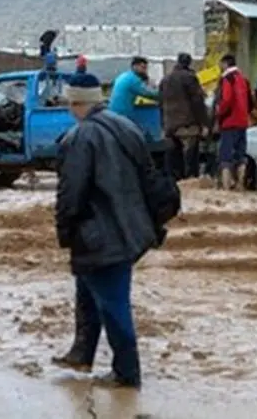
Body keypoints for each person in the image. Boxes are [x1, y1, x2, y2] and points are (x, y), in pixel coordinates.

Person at [50, 76, 161, 389]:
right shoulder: (124, 125)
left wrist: (64, 232)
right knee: (87, 292)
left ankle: (127, 373)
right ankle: (81, 353)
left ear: (75, 103)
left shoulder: (79, 137)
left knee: (113, 304)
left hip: (99, 234)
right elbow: (149, 176)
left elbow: (70, 194)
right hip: (130, 228)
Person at [158, 52, 208, 180]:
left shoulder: (165, 79)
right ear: (189, 63)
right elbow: (197, 102)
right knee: (191, 156)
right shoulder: (190, 77)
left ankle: (175, 182)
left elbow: (160, 102)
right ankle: (190, 182)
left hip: (170, 124)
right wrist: (204, 123)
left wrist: (163, 124)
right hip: (187, 124)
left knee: (174, 157)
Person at [214, 54, 251, 190]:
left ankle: (226, 188)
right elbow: (250, 102)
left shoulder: (227, 79)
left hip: (229, 123)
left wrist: (219, 112)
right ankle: (241, 185)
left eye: (220, 64)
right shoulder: (244, 79)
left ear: (225, 64)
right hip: (243, 122)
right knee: (241, 156)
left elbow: (226, 100)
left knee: (226, 157)